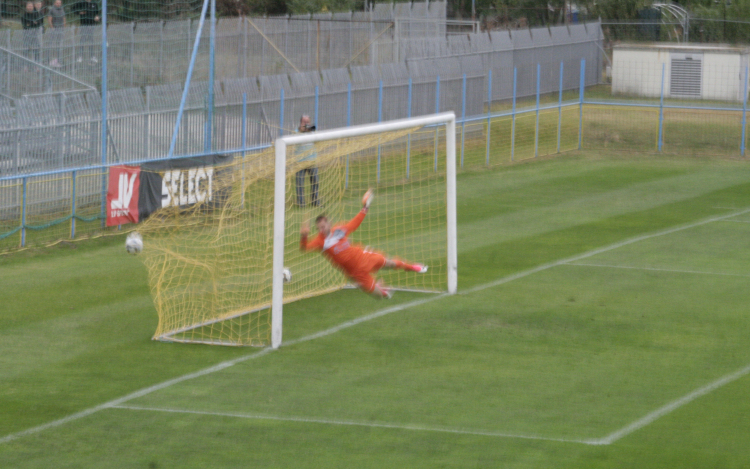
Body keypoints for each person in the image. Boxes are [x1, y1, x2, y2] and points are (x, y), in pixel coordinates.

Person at [300, 189, 428, 300]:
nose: (321, 230)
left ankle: (412, 266)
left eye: (323, 226)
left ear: (329, 223)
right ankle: (380, 287)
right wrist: (304, 236)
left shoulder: (339, 230)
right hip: (355, 273)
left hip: (363, 257)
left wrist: (365, 207)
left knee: (390, 263)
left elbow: (355, 222)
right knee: (380, 296)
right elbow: (304, 248)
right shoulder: (320, 241)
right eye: (319, 228)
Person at [294, 114, 320, 207]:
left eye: (307, 122)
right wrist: (301, 130)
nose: (306, 124)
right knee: (300, 183)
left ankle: (315, 201)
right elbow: (295, 138)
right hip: (300, 161)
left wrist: (310, 131)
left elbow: (318, 140)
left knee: (315, 181)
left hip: (312, 161)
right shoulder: (296, 132)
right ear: (300, 123)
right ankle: (301, 203)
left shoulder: (313, 132)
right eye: (304, 122)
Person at [46, 0, 65, 68]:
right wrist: (52, 28)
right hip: (54, 30)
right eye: (57, 3)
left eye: (59, 3)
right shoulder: (52, 10)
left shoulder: (62, 9)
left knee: (59, 45)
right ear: (54, 3)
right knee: (50, 45)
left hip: (60, 30)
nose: (58, 4)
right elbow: (49, 19)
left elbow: (64, 18)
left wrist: (64, 27)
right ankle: (48, 60)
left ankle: (59, 60)